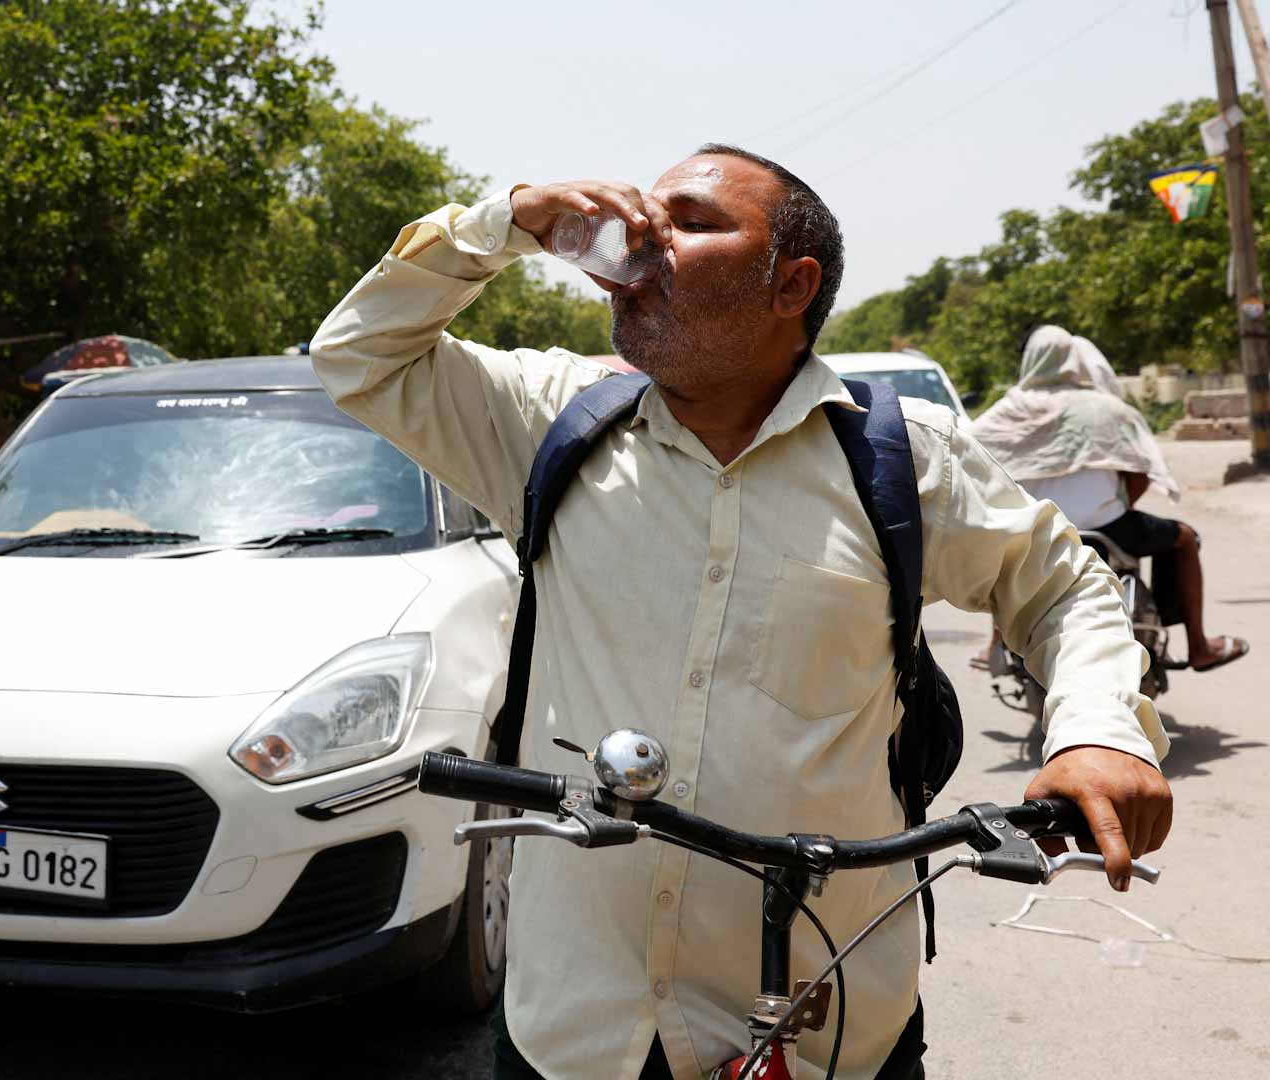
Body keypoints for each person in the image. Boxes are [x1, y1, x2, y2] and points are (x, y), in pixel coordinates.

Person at [310, 146, 1172, 1080]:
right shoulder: (547, 420)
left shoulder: (903, 460)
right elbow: (359, 354)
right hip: (577, 1026)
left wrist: (1098, 734)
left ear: (790, 285)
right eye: (645, 211)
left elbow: (1062, 585)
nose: (641, 233)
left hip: (831, 1020)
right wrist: (510, 222)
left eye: (690, 220)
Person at [969, 325, 1248, 672]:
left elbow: (973, 458)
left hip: (1037, 532)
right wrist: (1118, 505)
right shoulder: (1107, 408)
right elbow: (1141, 470)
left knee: (1005, 558)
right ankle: (1199, 646)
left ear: (1029, 360)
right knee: (1185, 539)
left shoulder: (1008, 410)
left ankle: (995, 645)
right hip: (1111, 532)